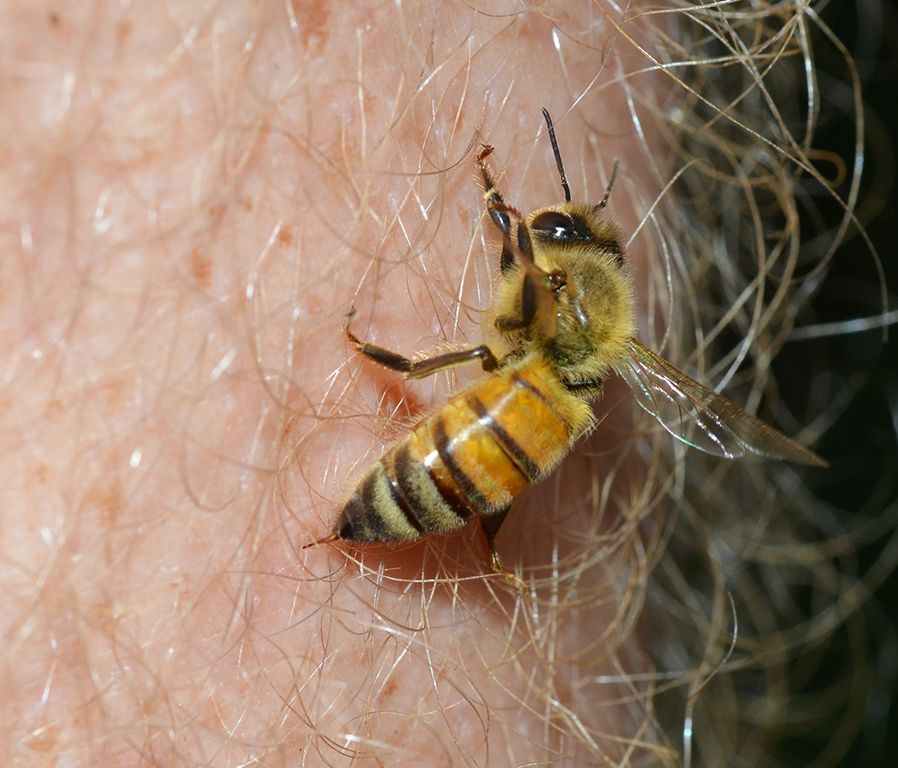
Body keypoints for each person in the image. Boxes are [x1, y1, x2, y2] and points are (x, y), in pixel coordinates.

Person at [1, 2, 880, 765]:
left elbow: (522, 253)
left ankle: (444, 467)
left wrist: (497, 197)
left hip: (487, 432)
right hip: (514, 441)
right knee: (508, 400)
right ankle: (488, 541)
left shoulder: (545, 287)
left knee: (460, 372)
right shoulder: (600, 343)